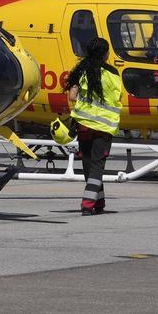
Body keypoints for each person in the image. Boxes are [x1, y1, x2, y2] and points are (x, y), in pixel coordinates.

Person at [64, 37, 125, 216]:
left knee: (89, 166)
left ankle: (99, 202)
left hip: (83, 125)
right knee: (97, 167)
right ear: (106, 54)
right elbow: (118, 98)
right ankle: (87, 203)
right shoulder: (113, 74)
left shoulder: (81, 71)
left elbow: (73, 97)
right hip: (104, 127)